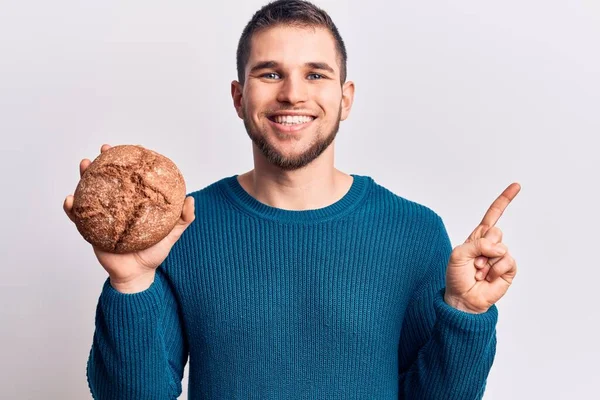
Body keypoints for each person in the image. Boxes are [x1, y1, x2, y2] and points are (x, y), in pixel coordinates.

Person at [63, 0, 520, 398]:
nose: (293, 94)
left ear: (346, 99)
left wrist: (466, 313)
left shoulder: (414, 232)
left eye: (315, 74)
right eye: (270, 73)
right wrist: (130, 282)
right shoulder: (181, 226)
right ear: (239, 97)